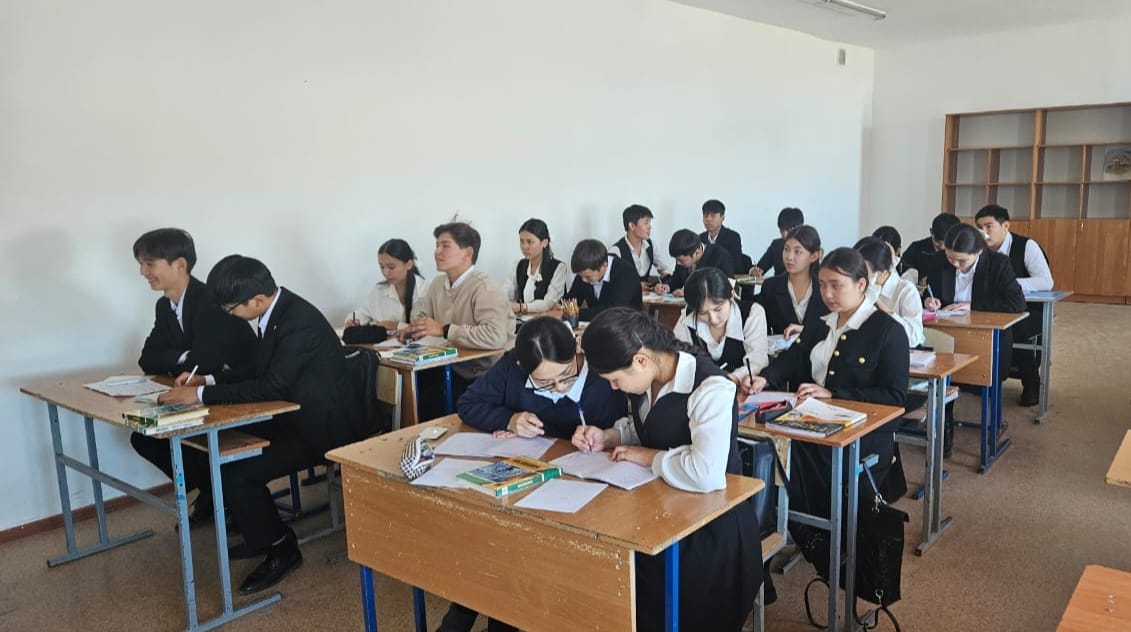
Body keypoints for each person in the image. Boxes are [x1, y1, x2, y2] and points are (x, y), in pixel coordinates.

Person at [158, 255, 364, 595]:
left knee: (238, 471)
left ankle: (282, 548)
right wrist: (207, 380)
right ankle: (258, 530)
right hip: (292, 415)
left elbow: (272, 385)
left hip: (322, 427)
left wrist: (201, 395)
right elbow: (260, 368)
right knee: (220, 452)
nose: (229, 316)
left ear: (256, 300)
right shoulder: (275, 310)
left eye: (231, 309)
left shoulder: (298, 322)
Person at [574, 307, 763, 632]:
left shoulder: (711, 386)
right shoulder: (648, 377)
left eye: (615, 380)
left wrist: (647, 457)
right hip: (655, 510)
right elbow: (648, 427)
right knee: (602, 575)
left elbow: (706, 473)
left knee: (655, 603)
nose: (615, 388)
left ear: (641, 360)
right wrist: (608, 436)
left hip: (708, 528)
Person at [438, 317, 628, 632]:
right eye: (546, 383)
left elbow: (630, 428)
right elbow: (468, 404)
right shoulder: (511, 368)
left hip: (586, 493)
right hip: (527, 484)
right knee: (492, 539)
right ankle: (471, 616)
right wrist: (508, 419)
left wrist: (605, 436)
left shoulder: (602, 374)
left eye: (566, 375)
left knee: (521, 553)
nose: (560, 388)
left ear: (577, 349)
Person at [750, 248, 909, 539]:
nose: (827, 293)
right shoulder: (821, 322)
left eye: (837, 285)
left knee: (786, 460)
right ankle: (782, 527)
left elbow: (895, 397)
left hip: (863, 435)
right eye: (822, 285)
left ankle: (802, 530)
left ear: (861, 284)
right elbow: (794, 358)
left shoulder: (888, 331)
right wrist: (765, 378)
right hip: (811, 423)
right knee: (760, 448)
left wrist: (833, 393)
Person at [131, 228, 257, 526]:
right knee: (144, 436)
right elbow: (147, 359)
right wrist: (185, 356)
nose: (143, 272)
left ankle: (224, 494)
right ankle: (215, 490)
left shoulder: (210, 301)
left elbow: (206, 362)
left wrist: (186, 358)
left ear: (180, 265)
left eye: (149, 264)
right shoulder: (165, 306)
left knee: (182, 436)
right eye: (141, 264)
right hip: (197, 393)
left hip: (238, 394)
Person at [923, 223, 1026, 454]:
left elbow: (1016, 303)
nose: (954, 264)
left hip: (985, 337)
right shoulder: (939, 261)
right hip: (946, 333)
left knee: (981, 373)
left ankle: (987, 429)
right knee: (941, 375)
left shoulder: (998, 264)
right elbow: (929, 292)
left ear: (978, 251)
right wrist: (929, 301)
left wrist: (973, 306)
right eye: (950, 258)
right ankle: (944, 427)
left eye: (962, 261)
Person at [401, 221, 516, 420]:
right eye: (437, 245)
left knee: (433, 400)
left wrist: (445, 330)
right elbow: (422, 315)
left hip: (486, 373)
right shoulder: (437, 284)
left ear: (467, 253)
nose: (437, 252)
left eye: (445, 246)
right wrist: (416, 328)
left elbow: (495, 337)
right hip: (453, 366)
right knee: (411, 391)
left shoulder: (485, 287)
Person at [974, 204, 1053, 406]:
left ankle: (1031, 382)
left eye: (989, 226)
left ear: (1006, 226)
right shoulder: (978, 250)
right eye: (979, 228)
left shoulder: (1027, 246)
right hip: (994, 307)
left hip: (1028, 310)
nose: (984, 233)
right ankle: (984, 379)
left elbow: (1046, 282)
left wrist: (1011, 284)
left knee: (1011, 329)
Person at [674, 268, 768, 397]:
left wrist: (731, 379)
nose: (713, 319)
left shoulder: (752, 313)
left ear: (731, 295)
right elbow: (677, 358)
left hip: (743, 392)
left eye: (718, 309)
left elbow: (758, 361)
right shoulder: (688, 317)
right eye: (703, 313)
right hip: (700, 394)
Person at [755, 225, 828, 336]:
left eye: (797, 252)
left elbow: (834, 329)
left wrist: (804, 330)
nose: (789, 257)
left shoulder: (825, 289)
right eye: (786, 249)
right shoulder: (770, 287)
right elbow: (761, 331)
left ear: (813, 256)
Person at [854, 236, 925, 347]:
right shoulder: (855, 287)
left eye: (863, 271)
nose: (857, 275)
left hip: (897, 351)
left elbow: (914, 337)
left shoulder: (906, 290)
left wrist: (877, 302)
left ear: (883, 273)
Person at [345, 238, 426, 331]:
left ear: (409, 264)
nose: (385, 272)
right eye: (382, 267)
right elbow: (363, 313)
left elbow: (428, 328)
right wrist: (353, 320)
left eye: (391, 267)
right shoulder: (379, 290)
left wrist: (396, 325)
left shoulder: (426, 290)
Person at [563, 239, 643, 321]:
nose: (584, 280)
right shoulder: (585, 271)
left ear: (604, 266)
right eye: (580, 276)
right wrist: (561, 307)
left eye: (588, 276)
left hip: (628, 325)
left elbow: (612, 312)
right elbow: (572, 300)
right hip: (598, 324)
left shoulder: (626, 273)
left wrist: (572, 313)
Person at [502, 218, 568, 315]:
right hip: (521, 320)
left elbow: (549, 303)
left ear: (544, 243)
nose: (525, 247)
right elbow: (506, 291)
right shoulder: (518, 265)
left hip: (546, 321)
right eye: (522, 241)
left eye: (530, 242)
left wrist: (521, 307)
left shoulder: (558, 268)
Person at [608, 204, 673, 292]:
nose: (649, 227)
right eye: (646, 223)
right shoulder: (616, 251)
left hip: (647, 296)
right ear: (632, 226)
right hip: (625, 297)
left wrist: (664, 282)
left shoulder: (650, 245)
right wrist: (633, 285)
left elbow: (664, 269)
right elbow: (611, 281)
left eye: (649, 223)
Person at [666, 228, 735, 295]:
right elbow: (676, 280)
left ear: (696, 252)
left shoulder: (720, 256)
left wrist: (690, 293)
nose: (678, 263)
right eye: (676, 260)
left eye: (681, 260)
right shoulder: (682, 257)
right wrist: (667, 287)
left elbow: (726, 288)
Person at [900, 213, 962, 283]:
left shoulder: (962, 253)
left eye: (947, 243)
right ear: (931, 231)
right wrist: (915, 280)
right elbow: (903, 270)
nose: (942, 247)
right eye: (937, 242)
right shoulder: (916, 248)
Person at [749, 207, 804, 277]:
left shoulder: (808, 247)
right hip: (778, 283)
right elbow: (760, 267)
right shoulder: (776, 245)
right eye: (782, 230)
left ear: (799, 228)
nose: (785, 234)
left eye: (788, 230)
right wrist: (754, 271)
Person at [700, 199, 748, 273]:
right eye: (705, 216)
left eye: (713, 216)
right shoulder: (700, 238)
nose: (708, 219)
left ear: (722, 218)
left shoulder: (732, 237)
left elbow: (735, 265)